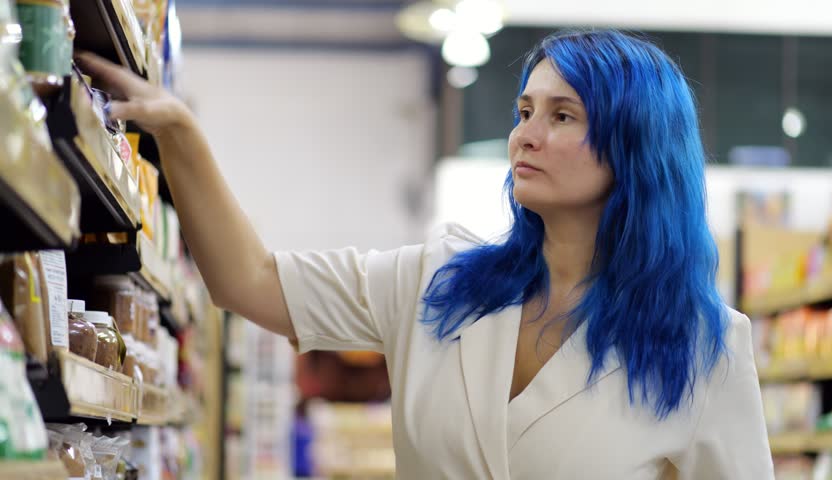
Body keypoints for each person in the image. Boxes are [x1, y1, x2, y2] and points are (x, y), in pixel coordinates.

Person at [78, 29, 774, 479]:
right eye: (525, 111)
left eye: (563, 116)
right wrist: (179, 134)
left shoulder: (706, 348)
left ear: (636, 152)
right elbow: (248, 281)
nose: (526, 135)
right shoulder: (439, 282)